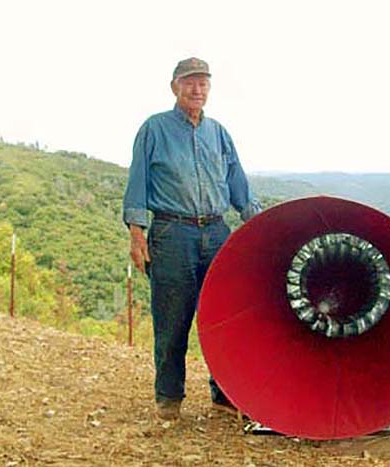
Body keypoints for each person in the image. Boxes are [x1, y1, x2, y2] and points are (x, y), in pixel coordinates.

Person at [123, 57, 261, 420]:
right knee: (172, 319)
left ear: (209, 88)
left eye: (203, 83)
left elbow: (239, 187)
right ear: (175, 87)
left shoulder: (219, 133)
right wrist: (136, 231)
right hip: (172, 233)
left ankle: (225, 393)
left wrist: (260, 223)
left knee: (223, 317)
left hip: (217, 233)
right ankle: (169, 398)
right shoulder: (154, 129)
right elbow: (137, 182)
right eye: (189, 82)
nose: (197, 89)